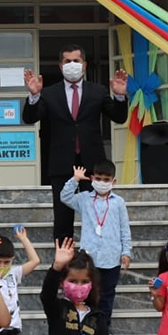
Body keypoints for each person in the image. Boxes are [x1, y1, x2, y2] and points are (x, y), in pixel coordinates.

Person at [23, 45, 129, 243]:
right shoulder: (50, 93)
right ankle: (64, 264)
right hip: (61, 164)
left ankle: (96, 262)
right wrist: (34, 96)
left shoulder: (98, 91)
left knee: (97, 216)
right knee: (63, 219)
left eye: (76, 61)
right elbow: (30, 118)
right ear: (61, 66)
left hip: (93, 166)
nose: (72, 65)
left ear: (84, 65)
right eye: (67, 61)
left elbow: (119, 117)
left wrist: (120, 96)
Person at [60, 162, 132, 324]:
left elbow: (124, 228)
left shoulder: (118, 202)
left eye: (106, 179)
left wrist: (126, 252)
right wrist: (75, 180)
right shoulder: (84, 198)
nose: (102, 182)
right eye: (98, 178)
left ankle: (103, 328)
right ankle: (86, 323)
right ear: (92, 179)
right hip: (89, 257)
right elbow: (65, 197)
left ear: (113, 181)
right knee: (88, 292)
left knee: (107, 294)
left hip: (111, 257)